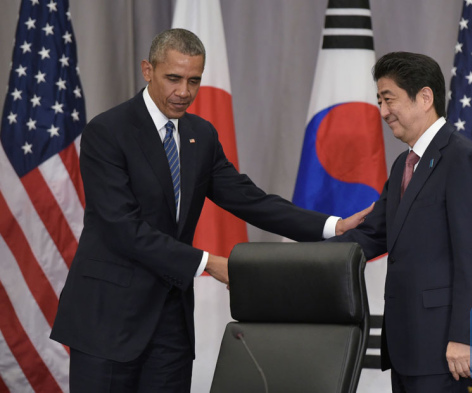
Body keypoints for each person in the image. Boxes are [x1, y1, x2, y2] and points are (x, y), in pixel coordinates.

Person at [50, 28, 370, 393]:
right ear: (147, 70)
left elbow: (249, 199)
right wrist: (208, 264)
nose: (184, 92)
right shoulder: (107, 131)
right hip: (107, 319)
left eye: (193, 81)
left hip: (170, 324)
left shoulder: (200, 135)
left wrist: (332, 225)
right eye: (173, 78)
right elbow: (124, 229)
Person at [328, 52, 472, 392]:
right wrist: (296, 259)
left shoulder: (462, 159)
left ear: (424, 97)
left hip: (447, 351)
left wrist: (464, 338)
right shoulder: (403, 165)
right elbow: (370, 236)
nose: (383, 112)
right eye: (379, 101)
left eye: (388, 99)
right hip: (406, 348)